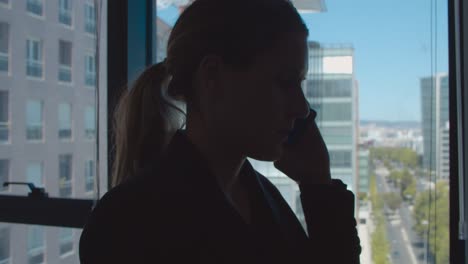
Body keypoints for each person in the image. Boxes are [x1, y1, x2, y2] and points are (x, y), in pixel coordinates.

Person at [79, 0, 361, 263]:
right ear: (212, 76)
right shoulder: (125, 224)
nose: (302, 108)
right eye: (285, 82)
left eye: (298, 84)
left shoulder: (264, 198)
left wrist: (318, 186)